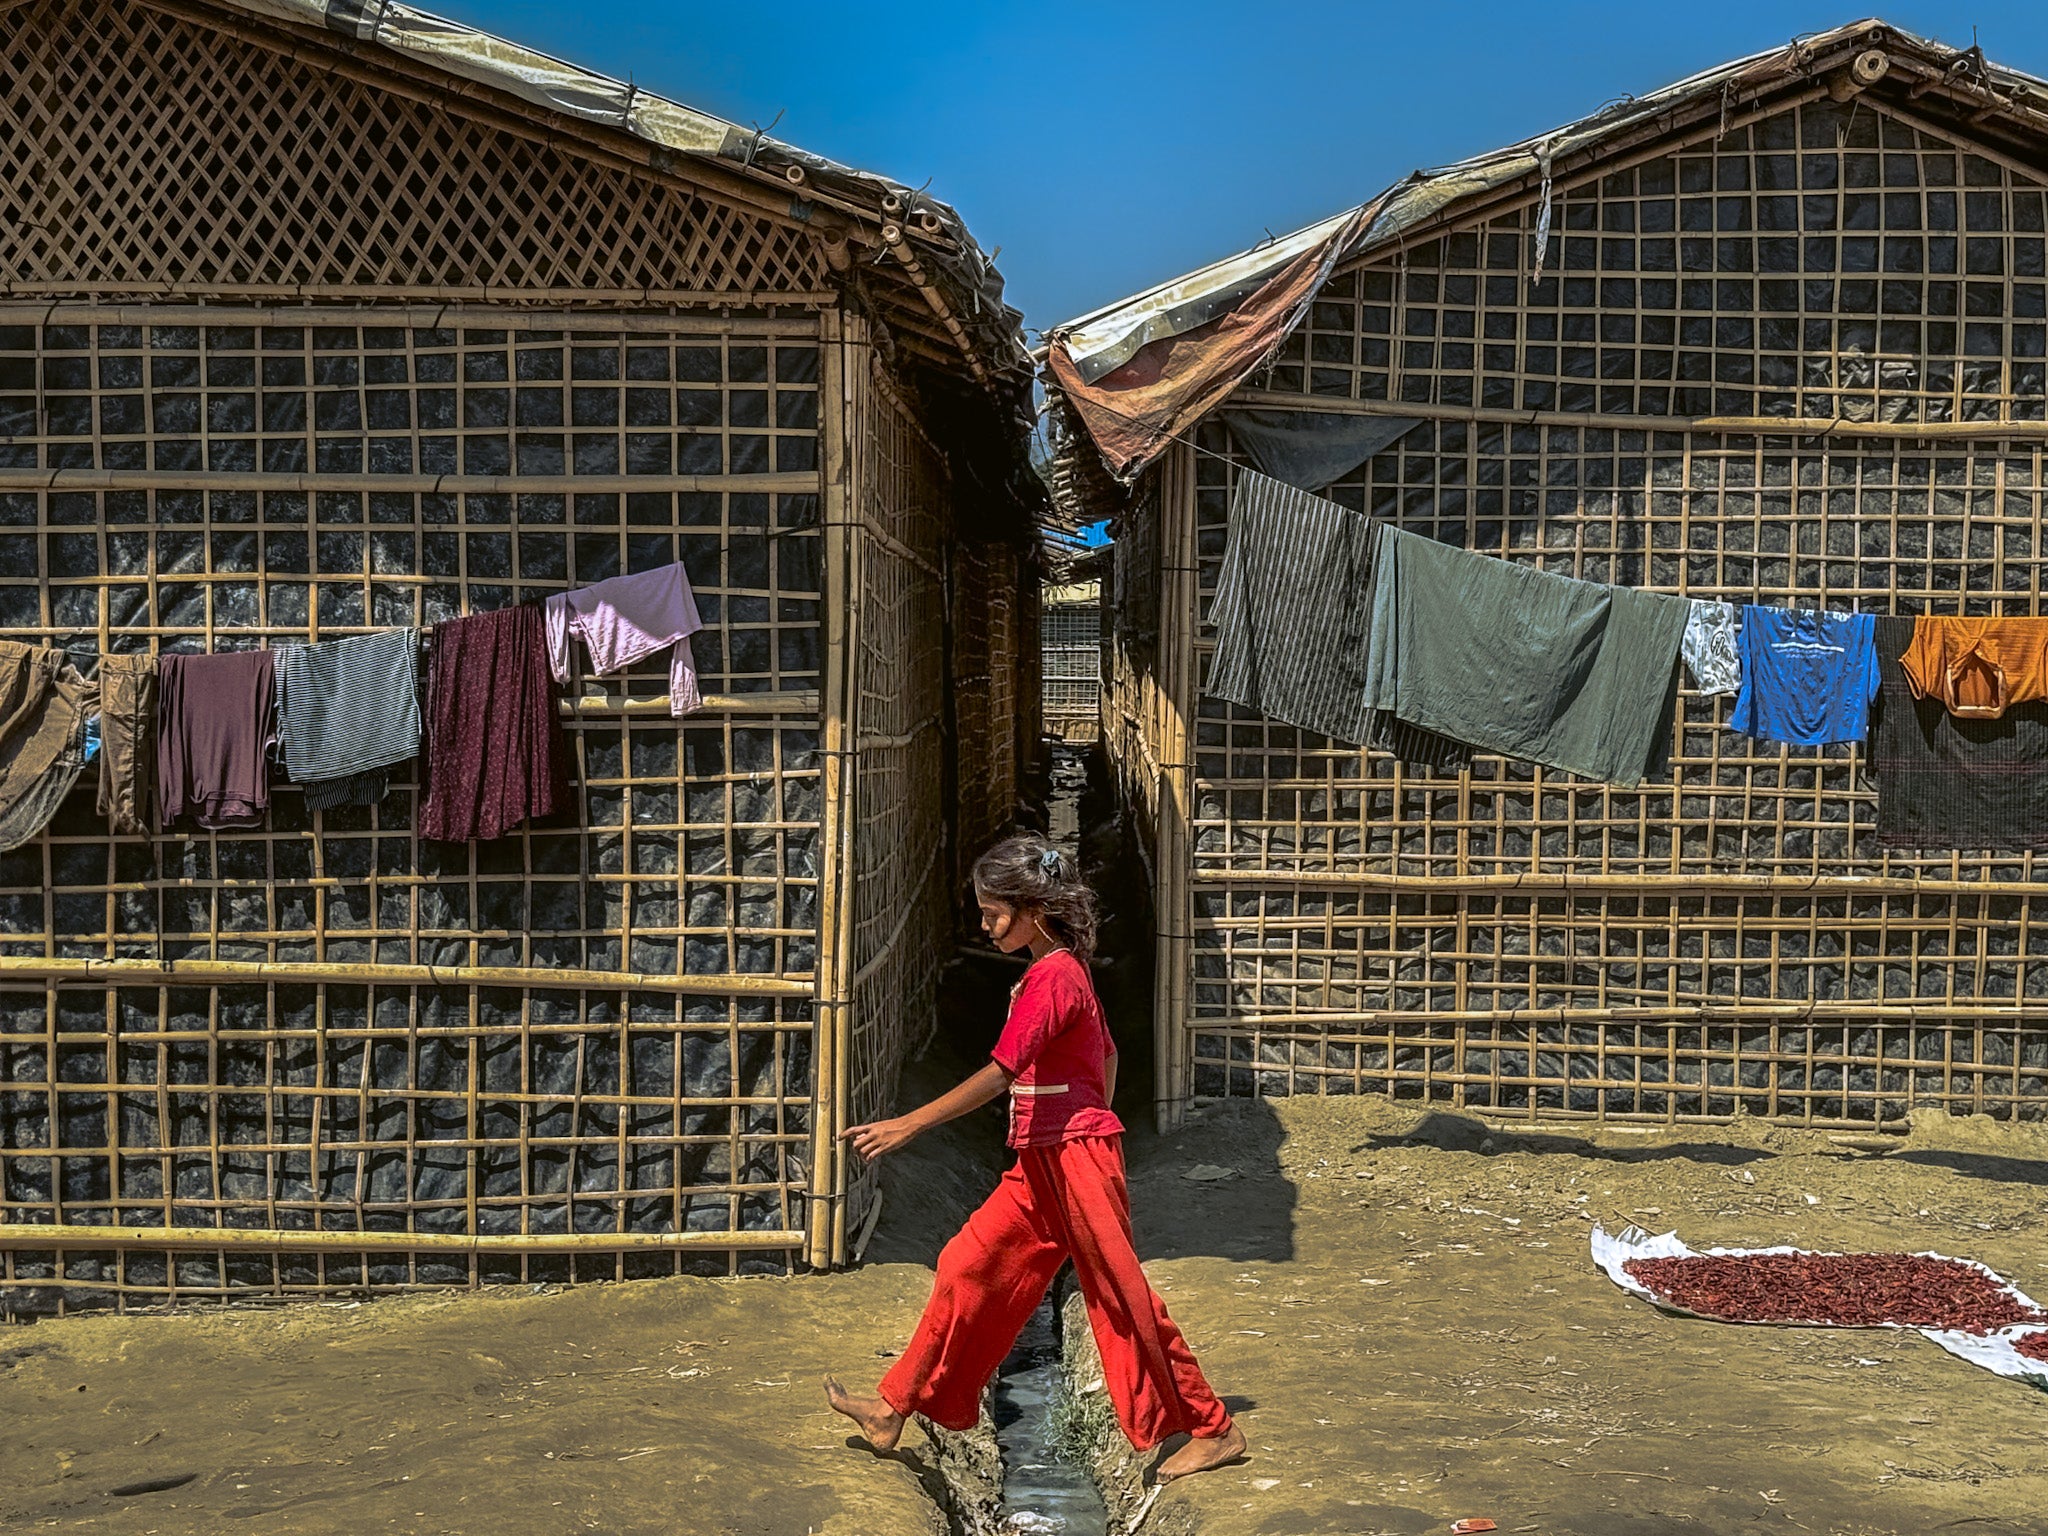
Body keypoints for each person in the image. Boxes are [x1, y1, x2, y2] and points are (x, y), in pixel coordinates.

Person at [824, 834, 1246, 1483]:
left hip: (1074, 1160)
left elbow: (1000, 1074)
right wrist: (1080, 1118)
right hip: (1043, 1163)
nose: (986, 925)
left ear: (1031, 909)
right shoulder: (1058, 974)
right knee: (965, 1265)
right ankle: (892, 1407)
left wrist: (909, 1124)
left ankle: (1214, 1428)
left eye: (993, 913)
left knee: (1121, 1299)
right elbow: (1105, 1055)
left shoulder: (1053, 978)